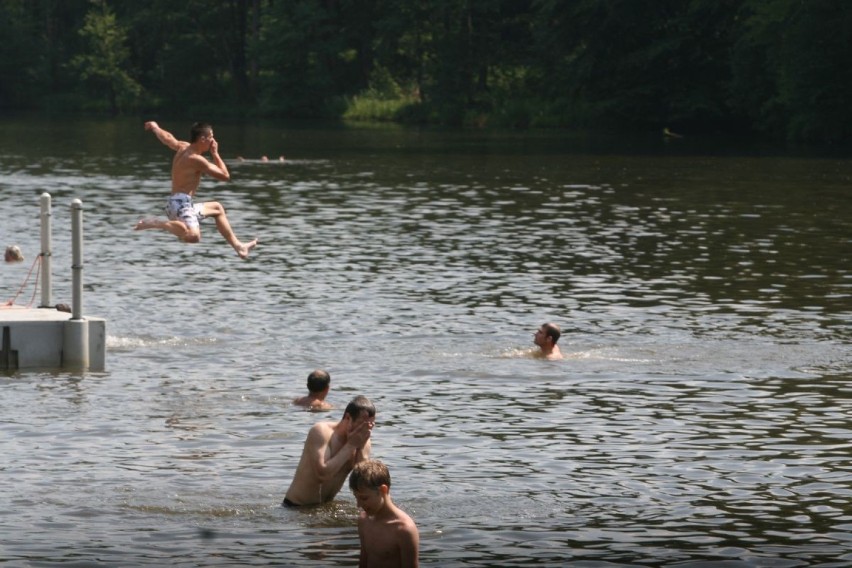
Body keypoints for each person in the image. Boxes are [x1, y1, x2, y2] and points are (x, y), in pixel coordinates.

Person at [134, 121, 258, 259]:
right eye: (211, 137)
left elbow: (168, 138)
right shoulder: (196, 159)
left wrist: (155, 128)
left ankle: (239, 247)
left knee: (217, 208)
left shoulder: (183, 147)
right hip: (180, 205)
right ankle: (157, 223)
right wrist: (215, 154)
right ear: (202, 139)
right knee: (193, 236)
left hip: (178, 204)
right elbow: (225, 176)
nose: (213, 141)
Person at [283, 395, 375, 507]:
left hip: (324, 507)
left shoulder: (363, 440)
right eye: (363, 424)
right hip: (296, 507)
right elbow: (322, 474)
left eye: (371, 425)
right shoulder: (321, 431)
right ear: (348, 418)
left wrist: (359, 447)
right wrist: (351, 445)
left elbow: (362, 481)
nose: (366, 429)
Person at [350, 460, 419, 568]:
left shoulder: (404, 529)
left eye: (364, 498)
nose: (358, 505)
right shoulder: (364, 521)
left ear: (383, 490)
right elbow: (363, 561)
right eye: (356, 497)